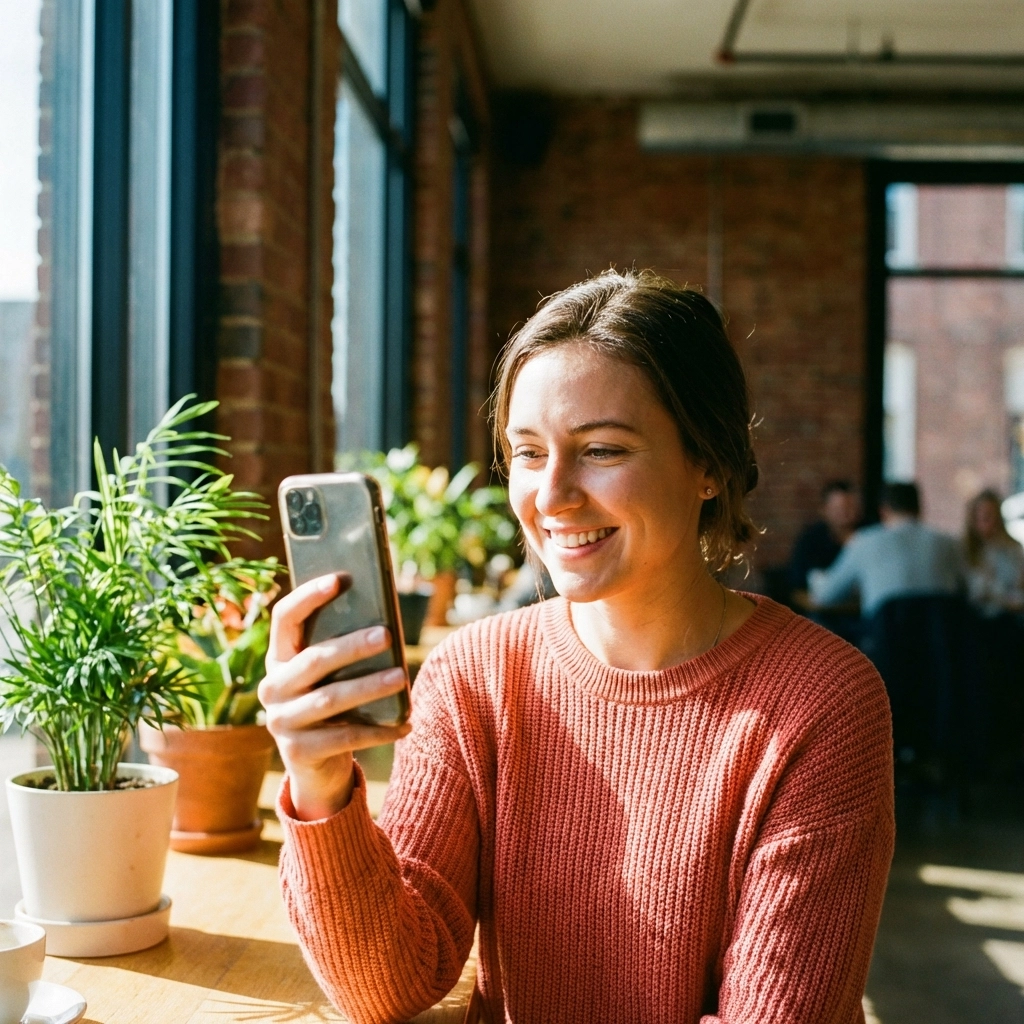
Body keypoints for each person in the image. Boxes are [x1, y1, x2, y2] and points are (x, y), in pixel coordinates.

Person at [260, 270, 894, 1024]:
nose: (552, 496)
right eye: (528, 452)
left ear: (709, 466)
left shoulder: (823, 702)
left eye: (600, 450)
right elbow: (391, 984)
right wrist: (320, 786)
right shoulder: (474, 675)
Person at [808, 482, 962, 618]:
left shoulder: (863, 540)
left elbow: (825, 595)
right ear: (919, 508)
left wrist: (815, 578)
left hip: (883, 645)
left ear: (884, 510)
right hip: (942, 645)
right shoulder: (949, 542)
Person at [787, 480, 860, 604]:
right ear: (824, 509)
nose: (844, 513)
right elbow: (798, 583)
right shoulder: (811, 540)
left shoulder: (870, 535)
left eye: (849, 507)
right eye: (837, 508)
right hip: (823, 610)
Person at [963, 488, 1024, 618]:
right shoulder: (965, 550)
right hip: (975, 619)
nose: (993, 523)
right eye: (986, 517)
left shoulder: (1012, 549)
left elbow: (1019, 586)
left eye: (996, 517)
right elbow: (973, 592)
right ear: (974, 520)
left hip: (1008, 617)